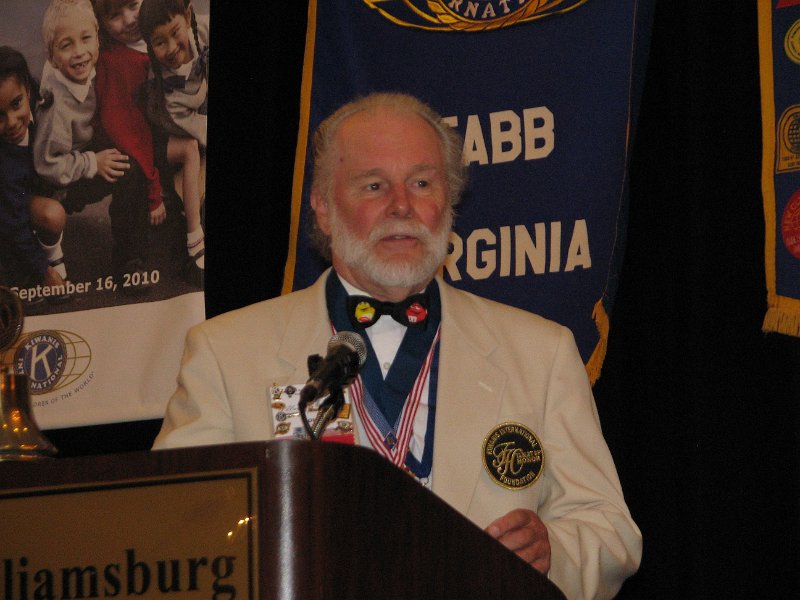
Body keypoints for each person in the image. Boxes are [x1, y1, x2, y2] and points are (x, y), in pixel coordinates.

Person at [153, 92, 642, 600]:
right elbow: (172, 529)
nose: (402, 206)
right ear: (322, 208)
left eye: (422, 183)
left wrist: (552, 553)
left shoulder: (541, 352)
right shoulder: (225, 353)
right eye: (374, 185)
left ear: (449, 203)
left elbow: (608, 529)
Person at [34, 0, 151, 287]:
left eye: (86, 39)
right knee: (117, 167)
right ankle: (48, 245)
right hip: (55, 181)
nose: (79, 53)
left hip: (80, 151)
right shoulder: (55, 106)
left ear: (98, 37)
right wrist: (93, 163)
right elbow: (46, 165)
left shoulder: (92, 62)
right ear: (51, 57)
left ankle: (130, 255)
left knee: (128, 164)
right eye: (66, 45)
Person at [138, 0, 208, 283]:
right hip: (168, 136)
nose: (170, 48)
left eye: (175, 32)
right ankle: (193, 238)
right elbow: (198, 131)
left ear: (188, 15)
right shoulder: (166, 91)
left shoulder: (203, 31)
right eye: (159, 42)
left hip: (196, 122)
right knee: (190, 164)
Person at [0, 45, 70, 310]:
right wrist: (44, 271)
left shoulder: (44, 109)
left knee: (55, 210)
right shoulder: (5, 164)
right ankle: (40, 263)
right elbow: (13, 221)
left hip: (31, 190)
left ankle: (49, 256)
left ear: (28, 90)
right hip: (8, 210)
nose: (12, 122)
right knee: (50, 215)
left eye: (16, 104)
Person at [91, 0, 165, 227]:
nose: (130, 19)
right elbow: (130, 132)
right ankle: (131, 259)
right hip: (122, 143)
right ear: (101, 23)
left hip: (153, 132)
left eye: (133, 5)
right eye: (115, 16)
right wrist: (154, 188)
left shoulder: (157, 36)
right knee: (129, 170)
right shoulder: (116, 62)